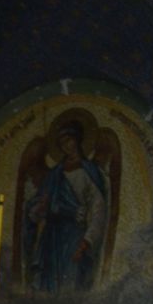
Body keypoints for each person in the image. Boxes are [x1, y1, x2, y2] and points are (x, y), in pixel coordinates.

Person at [25, 121, 108, 293]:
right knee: (49, 286)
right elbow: (37, 208)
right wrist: (39, 207)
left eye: (69, 140)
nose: (66, 146)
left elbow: (98, 209)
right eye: (61, 144)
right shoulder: (54, 175)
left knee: (71, 282)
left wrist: (86, 242)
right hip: (52, 237)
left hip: (75, 236)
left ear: (77, 140)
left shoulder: (89, 171)